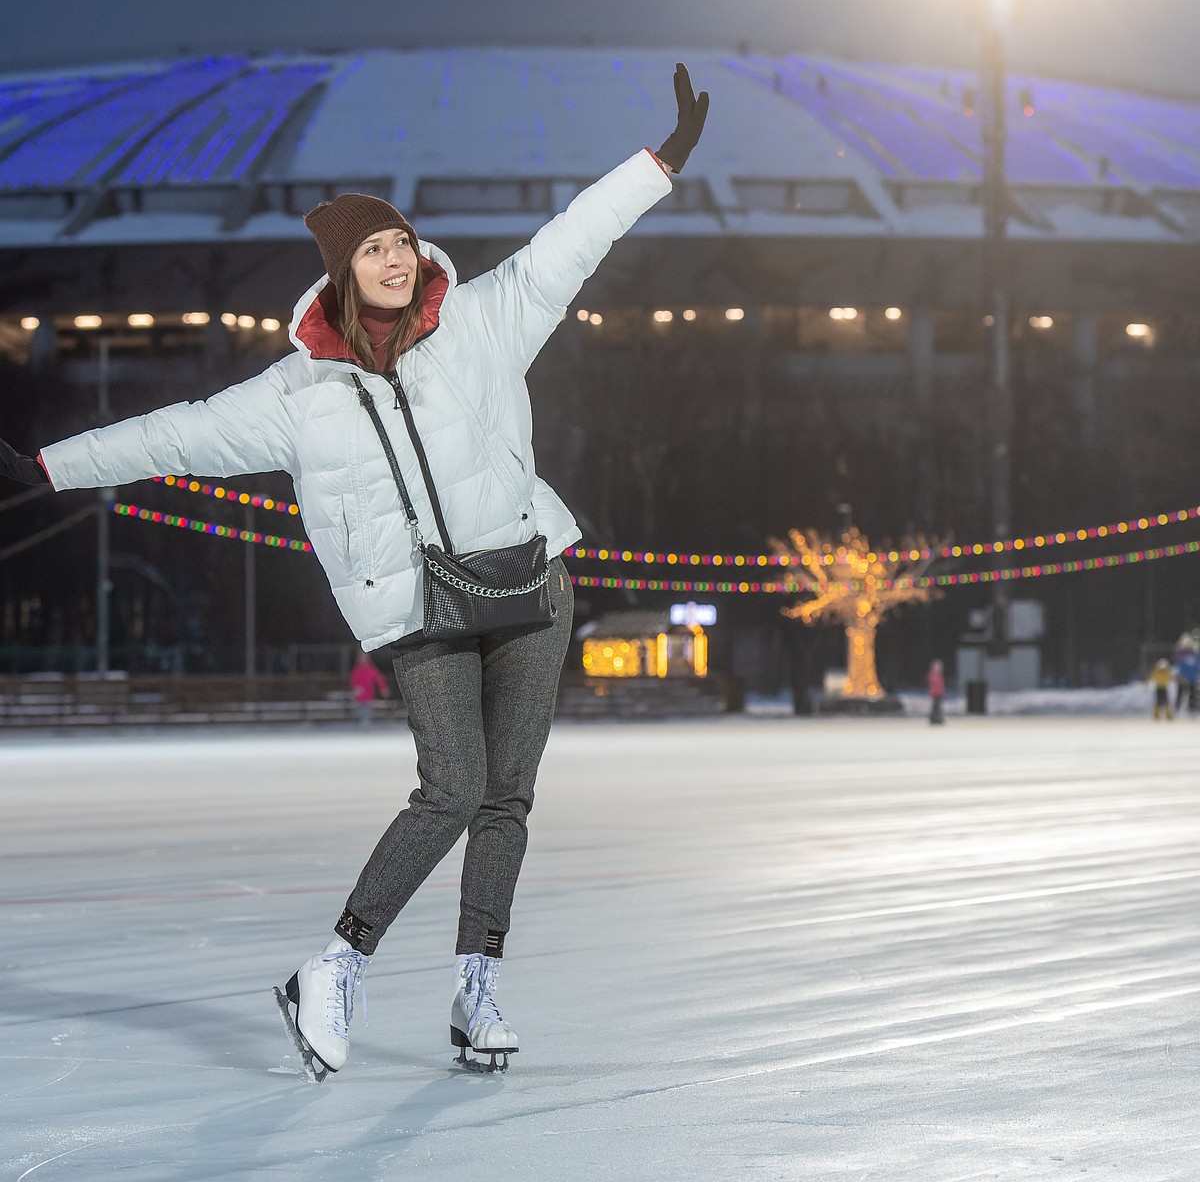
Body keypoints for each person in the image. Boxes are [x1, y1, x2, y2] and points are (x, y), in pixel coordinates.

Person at [0, 64, 709, 1080]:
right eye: (374, 246)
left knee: (507, 795)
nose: (395, 255)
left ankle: (477, 989)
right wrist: (48, 468)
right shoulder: (295, 395)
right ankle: (334, 965)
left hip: (526, 584)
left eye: (402, 240)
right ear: (341, 269)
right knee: (453, 787)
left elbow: (572, 241)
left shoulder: (483, 321)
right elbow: (175, 434)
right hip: (415, 607)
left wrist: (660, 161)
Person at [348, 649, 390, 726]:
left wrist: (383, 689)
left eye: (365, 658)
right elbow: (353, 680)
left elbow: (379, 679)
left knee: (366, 709)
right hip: (359, 695)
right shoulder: (357, 669)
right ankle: (361, 721)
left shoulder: (371, 669)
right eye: (362, 658)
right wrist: (355, 688)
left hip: (368, 694)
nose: (363, 660)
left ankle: (366, 722)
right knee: (360, 709)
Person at [926, 658, 946, 725]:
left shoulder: (938, 675)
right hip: (935, 693)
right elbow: (932, 684)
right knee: (936, 706)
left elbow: (941, 685)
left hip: (938, 693)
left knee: (937, 706)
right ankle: (935, 719)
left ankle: (937, 719)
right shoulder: (933, 675)